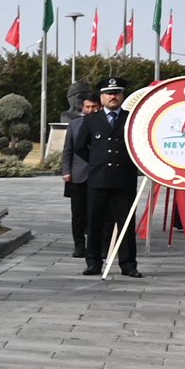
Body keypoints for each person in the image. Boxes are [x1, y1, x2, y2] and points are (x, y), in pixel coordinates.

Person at [80, 77, 141, 277]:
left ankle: (128, 264)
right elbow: (81, 146)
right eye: (108, 93)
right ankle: (93, 262)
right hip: (98, 180)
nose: (112, 96)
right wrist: (96, 162)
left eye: (116, 93)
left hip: (124, 179)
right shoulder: (91, 119)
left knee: (126, 224)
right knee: (95, 223)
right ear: (102, 96)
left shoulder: (131, 118)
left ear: (122, 95)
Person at [61, 87, 99, 259]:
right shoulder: (74, 125)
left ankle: (96, 246)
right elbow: (67, 150)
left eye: (94, 107)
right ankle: (79, 246)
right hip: (77, 176)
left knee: (97, 214)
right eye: (87, 107)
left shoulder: (103, 124)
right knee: (78, 214)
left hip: (98, 176)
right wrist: (66, 171)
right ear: (83, 108)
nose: (90, 110)